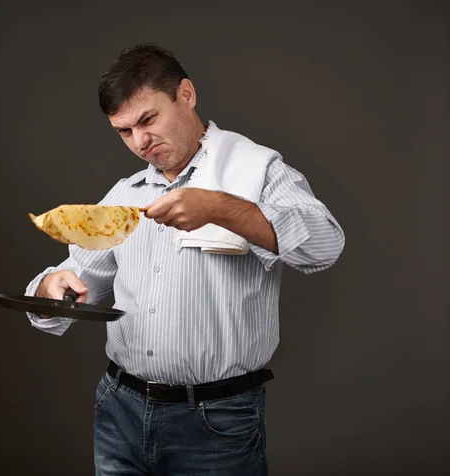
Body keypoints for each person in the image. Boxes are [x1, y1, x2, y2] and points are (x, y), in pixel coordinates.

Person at [25, 43, 345, 476]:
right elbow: (76, 281)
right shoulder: (125, 196)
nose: (140, 142)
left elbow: (325, 247)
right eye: (124, 131)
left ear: (186, 94)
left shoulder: (259, 172)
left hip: (216, 422)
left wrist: (219, 208)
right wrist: (52, 288)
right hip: (118, 411)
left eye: (148, 119)